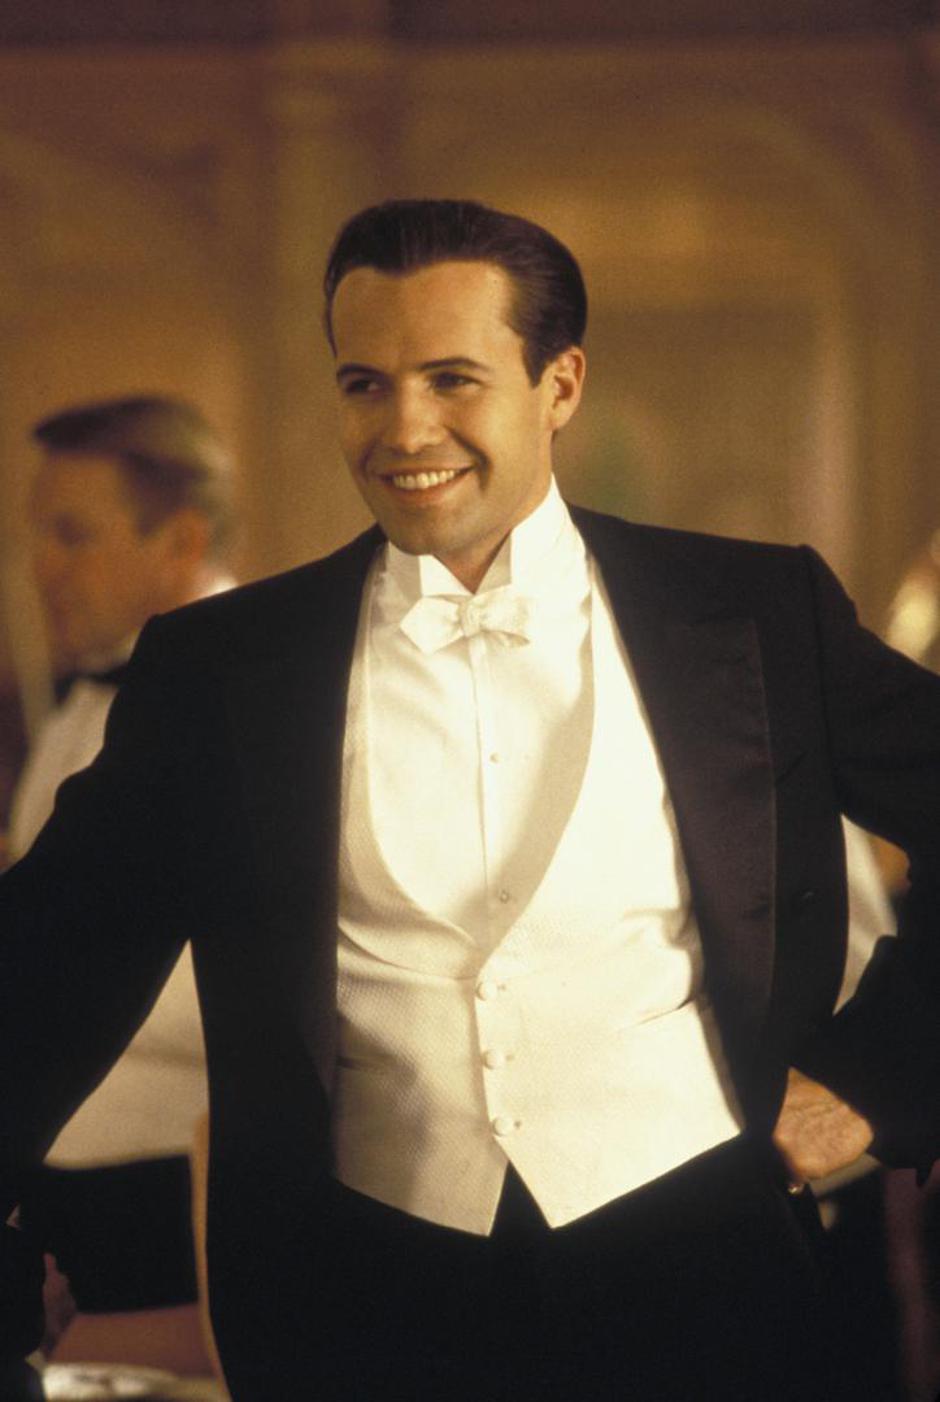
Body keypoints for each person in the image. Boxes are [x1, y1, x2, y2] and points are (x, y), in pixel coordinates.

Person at [2, 200, 940, 1402]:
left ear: (560, 385)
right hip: (359, 1313)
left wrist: (881, 1076)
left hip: (710, 1288)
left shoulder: (754, 614)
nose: (404, 429)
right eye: (365, 384)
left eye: (452, 378)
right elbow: (47, 965)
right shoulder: (220, 669)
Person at [7, 396, 235, 1372]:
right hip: (64, 1213)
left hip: (177, 1228)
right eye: (37, 536)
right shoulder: (79, 697)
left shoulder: (244, 701)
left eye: (73, 535)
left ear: (181, 541)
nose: (40, 568)